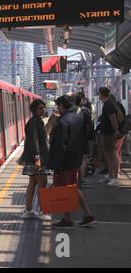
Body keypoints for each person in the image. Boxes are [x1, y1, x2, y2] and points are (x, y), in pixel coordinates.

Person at [47, 95, 96, 229]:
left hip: (64, 163)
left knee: (63, 190)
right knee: (73, 188)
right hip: (75, 159)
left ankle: (68, 220)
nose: (57, 108)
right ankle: (88, 216)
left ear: (62, 106)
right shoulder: (78, 116)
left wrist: (58, 165)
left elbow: (60, 146)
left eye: (58, 106)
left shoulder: (63, 122)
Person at [19, 99, 51, 221]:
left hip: (33, 158)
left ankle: (28, 210)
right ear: (34, 110)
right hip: (37, 159)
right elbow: (35, 142)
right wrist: (38, 158)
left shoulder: (36, 121)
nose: (43, 110)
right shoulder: (35, 123)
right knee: (43, 184)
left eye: (43, 108)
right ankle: (43, 211)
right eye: (40, 108)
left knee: (32, 183)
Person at [98, 88, 121, 186]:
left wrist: (115, 131)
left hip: (109, 134)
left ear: (101, 94)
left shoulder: (108, 105)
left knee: (112, 155)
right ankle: (110, 175)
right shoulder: (107, 105)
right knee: (108, 155)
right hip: (106, 133)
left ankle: (114, 177)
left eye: (99, 93)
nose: (98, 95)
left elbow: (113, 120)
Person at [75, 93, 94, 188]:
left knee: (76, 160)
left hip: (74, 140)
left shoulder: (71, 111)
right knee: (84, 160)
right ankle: (80, 180)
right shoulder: (86, 111)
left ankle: (75, 180)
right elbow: (90, 125)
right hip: (84, 139)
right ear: (80, 101)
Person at [109, 94, 126, 182]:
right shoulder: (119, 105)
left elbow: (119, 119)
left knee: (114, 153)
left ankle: (115, 172)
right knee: (117, 152)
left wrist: (115, 130)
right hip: (121, 132)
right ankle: (116, 171)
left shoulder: (113, 107)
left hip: (117, 133)